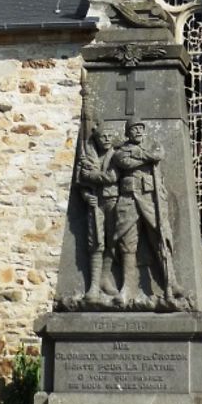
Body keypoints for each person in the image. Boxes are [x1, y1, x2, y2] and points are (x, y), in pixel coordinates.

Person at [111, 120, 180, 304]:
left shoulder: (154, 145)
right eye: (134, 129)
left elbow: (159, 154)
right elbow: (124, 162)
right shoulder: (121, 152)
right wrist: (146, 157)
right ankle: (127, 288)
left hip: (151, 198)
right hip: (128, 200)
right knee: (127, 243)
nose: (138, 131)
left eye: (141, 128)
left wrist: (143, 155)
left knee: (160, 239)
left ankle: (170, 283)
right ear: (128, 133)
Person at [76, 121, 119, 301]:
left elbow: (114, 177)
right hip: (96, 202)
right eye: (103, 136)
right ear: (97, 138)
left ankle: (105, 278)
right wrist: (86, 195)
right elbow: (80, 179)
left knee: (114, 241)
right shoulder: (88, 156)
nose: (107, 139)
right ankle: (93, 286)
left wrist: (93, 176)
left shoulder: (117, 155)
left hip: (115, 201)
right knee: (95, 243)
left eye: (110, 136)